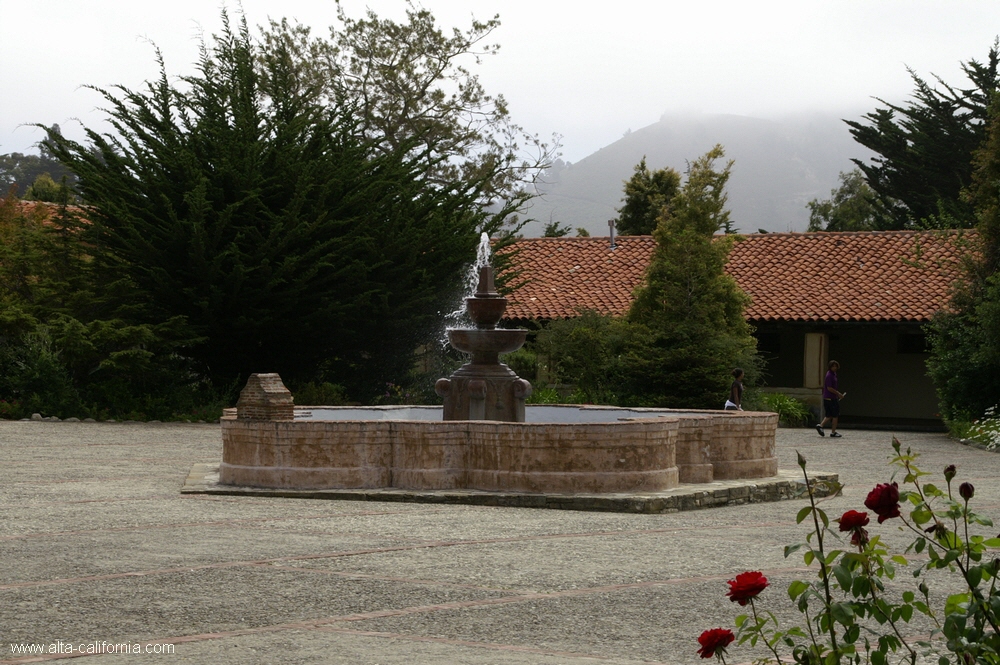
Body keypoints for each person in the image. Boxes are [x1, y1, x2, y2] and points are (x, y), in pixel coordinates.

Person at [816, 360, 844, 437]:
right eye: (833, 366)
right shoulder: (829, 375)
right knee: (835, 415)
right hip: (830, 398)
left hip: (832, 397)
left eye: (836, 366)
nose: (835, 368)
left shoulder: (834, 374)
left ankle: (820, 426)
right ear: (830, 367)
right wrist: (838, 394)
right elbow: (829, 388)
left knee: (830, 415)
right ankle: (833, 432)